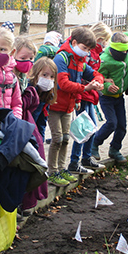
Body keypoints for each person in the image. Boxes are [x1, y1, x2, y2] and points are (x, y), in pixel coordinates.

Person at [49, 27, 104, 186]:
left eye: (89, 50)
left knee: (66, 138)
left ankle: (61, 168)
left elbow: (94, 73)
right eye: (84, 48)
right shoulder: (62, 58)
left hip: (68, 107)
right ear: (74, 43)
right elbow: (62, 84)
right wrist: (85, 88)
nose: (87, 53)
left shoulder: (79, 61)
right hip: (55, 105)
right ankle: (52, 171)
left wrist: (97, 82)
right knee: (57, 139)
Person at [65, 23, 112, 173]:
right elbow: (79, 76)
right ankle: (75, 161)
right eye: (104, 41)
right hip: (84, 94)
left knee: (91, 127)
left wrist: (100, 80)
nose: (105, 44)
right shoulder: (87, 54)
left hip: (90, 94)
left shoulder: (95, 54)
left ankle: (85, 158)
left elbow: (93, 73)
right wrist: (79, 96)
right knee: (83, 128)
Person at [92, 31, 128, 164]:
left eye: (126, 51)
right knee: (112, 123)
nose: (124, 55)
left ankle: (115, 149)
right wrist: (107, 85)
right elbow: (99, 78)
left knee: (122, 126)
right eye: (121, 52)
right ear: (112, 49)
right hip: (107, 97)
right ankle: (95, 143)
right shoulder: (106, 60)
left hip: (119, 97)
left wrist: (120, 37)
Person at [20, 58, 56, 206]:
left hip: (34, 136)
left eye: (52, 77)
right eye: (45, 75)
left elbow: (41, 121)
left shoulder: (46, 95)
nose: (48, 80)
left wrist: (39, 142)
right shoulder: (30, 91)